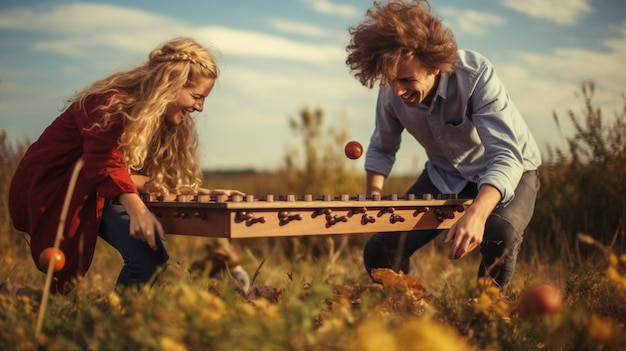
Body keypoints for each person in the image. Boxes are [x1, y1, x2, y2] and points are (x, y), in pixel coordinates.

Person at [9, 37, 249, 294]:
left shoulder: (156, 118)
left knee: (149, 259)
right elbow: (103, 163)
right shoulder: (108, 104)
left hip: (98, 187)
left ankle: (122, 316)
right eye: (196, 96)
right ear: (171, 84)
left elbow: (129, 176)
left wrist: (199, 193)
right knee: (61, 280)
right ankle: (14, 298)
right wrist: (138, 210)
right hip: (58, 188)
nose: (200, 107)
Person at [345, 0, 541, 292]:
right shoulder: (391, 91)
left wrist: (477, 213)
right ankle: (418, 304)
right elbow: (383, 147)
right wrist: (374, 196)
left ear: (435, 65)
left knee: (497, 232)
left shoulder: (475, 76)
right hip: (444, 174)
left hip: (510, 170)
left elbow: (505, 155)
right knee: (379, 252)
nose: (398, 91)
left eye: (407, 80)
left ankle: (484, 315)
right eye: (391, 81)